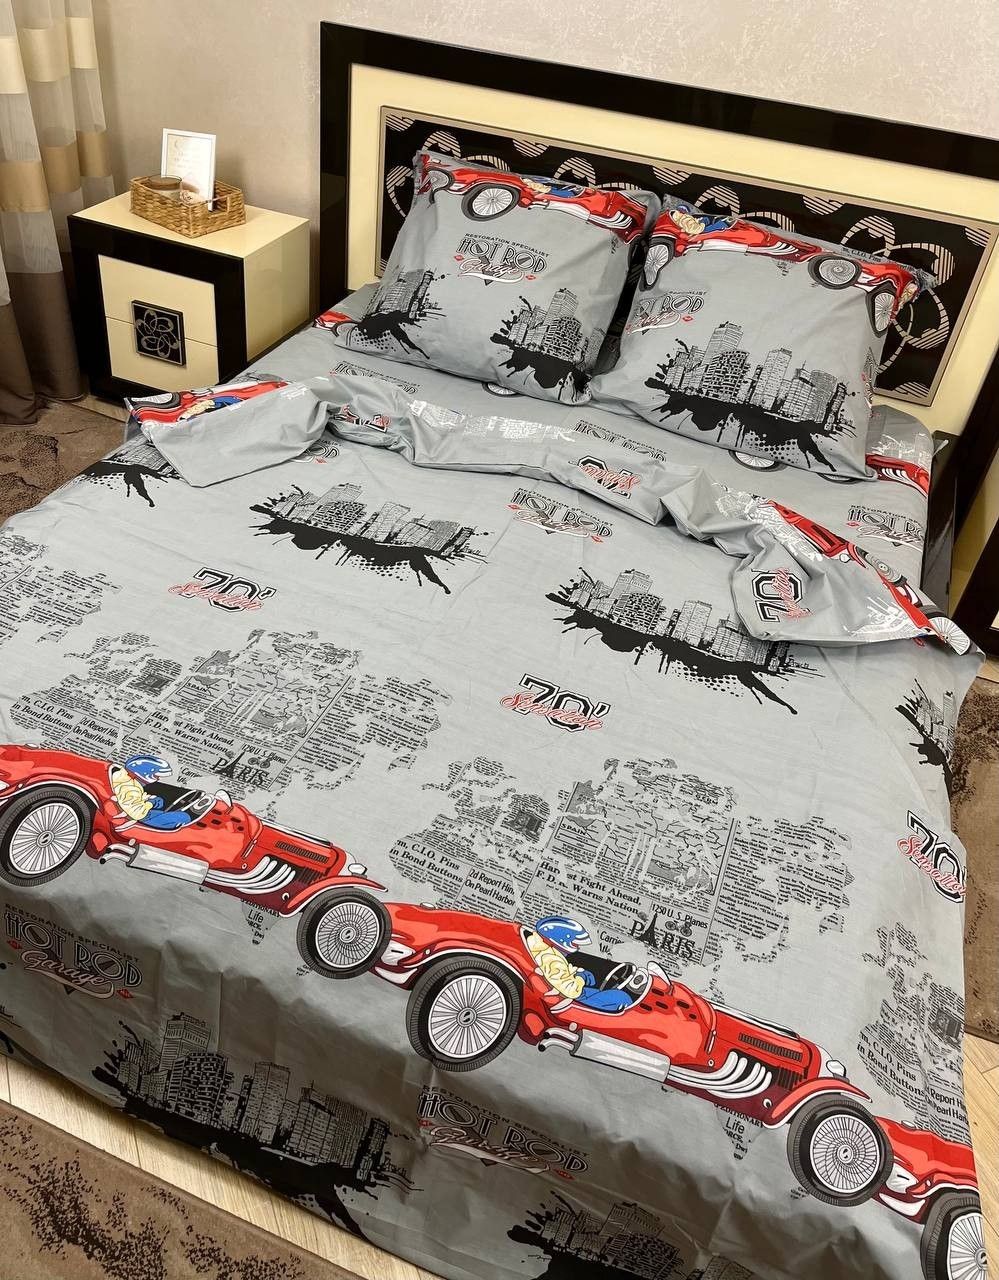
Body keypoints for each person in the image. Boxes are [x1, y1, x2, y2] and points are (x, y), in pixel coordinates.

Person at [534, 916, 637, 1013]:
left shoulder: (548, 954)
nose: (578, 947)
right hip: (573, 996)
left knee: (615, 994)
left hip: (572, 991)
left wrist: (577, 972)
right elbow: (571, 991)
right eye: (575, 944)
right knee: (622, 998)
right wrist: (582, 977)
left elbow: (563, 974)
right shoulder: (553, 961)